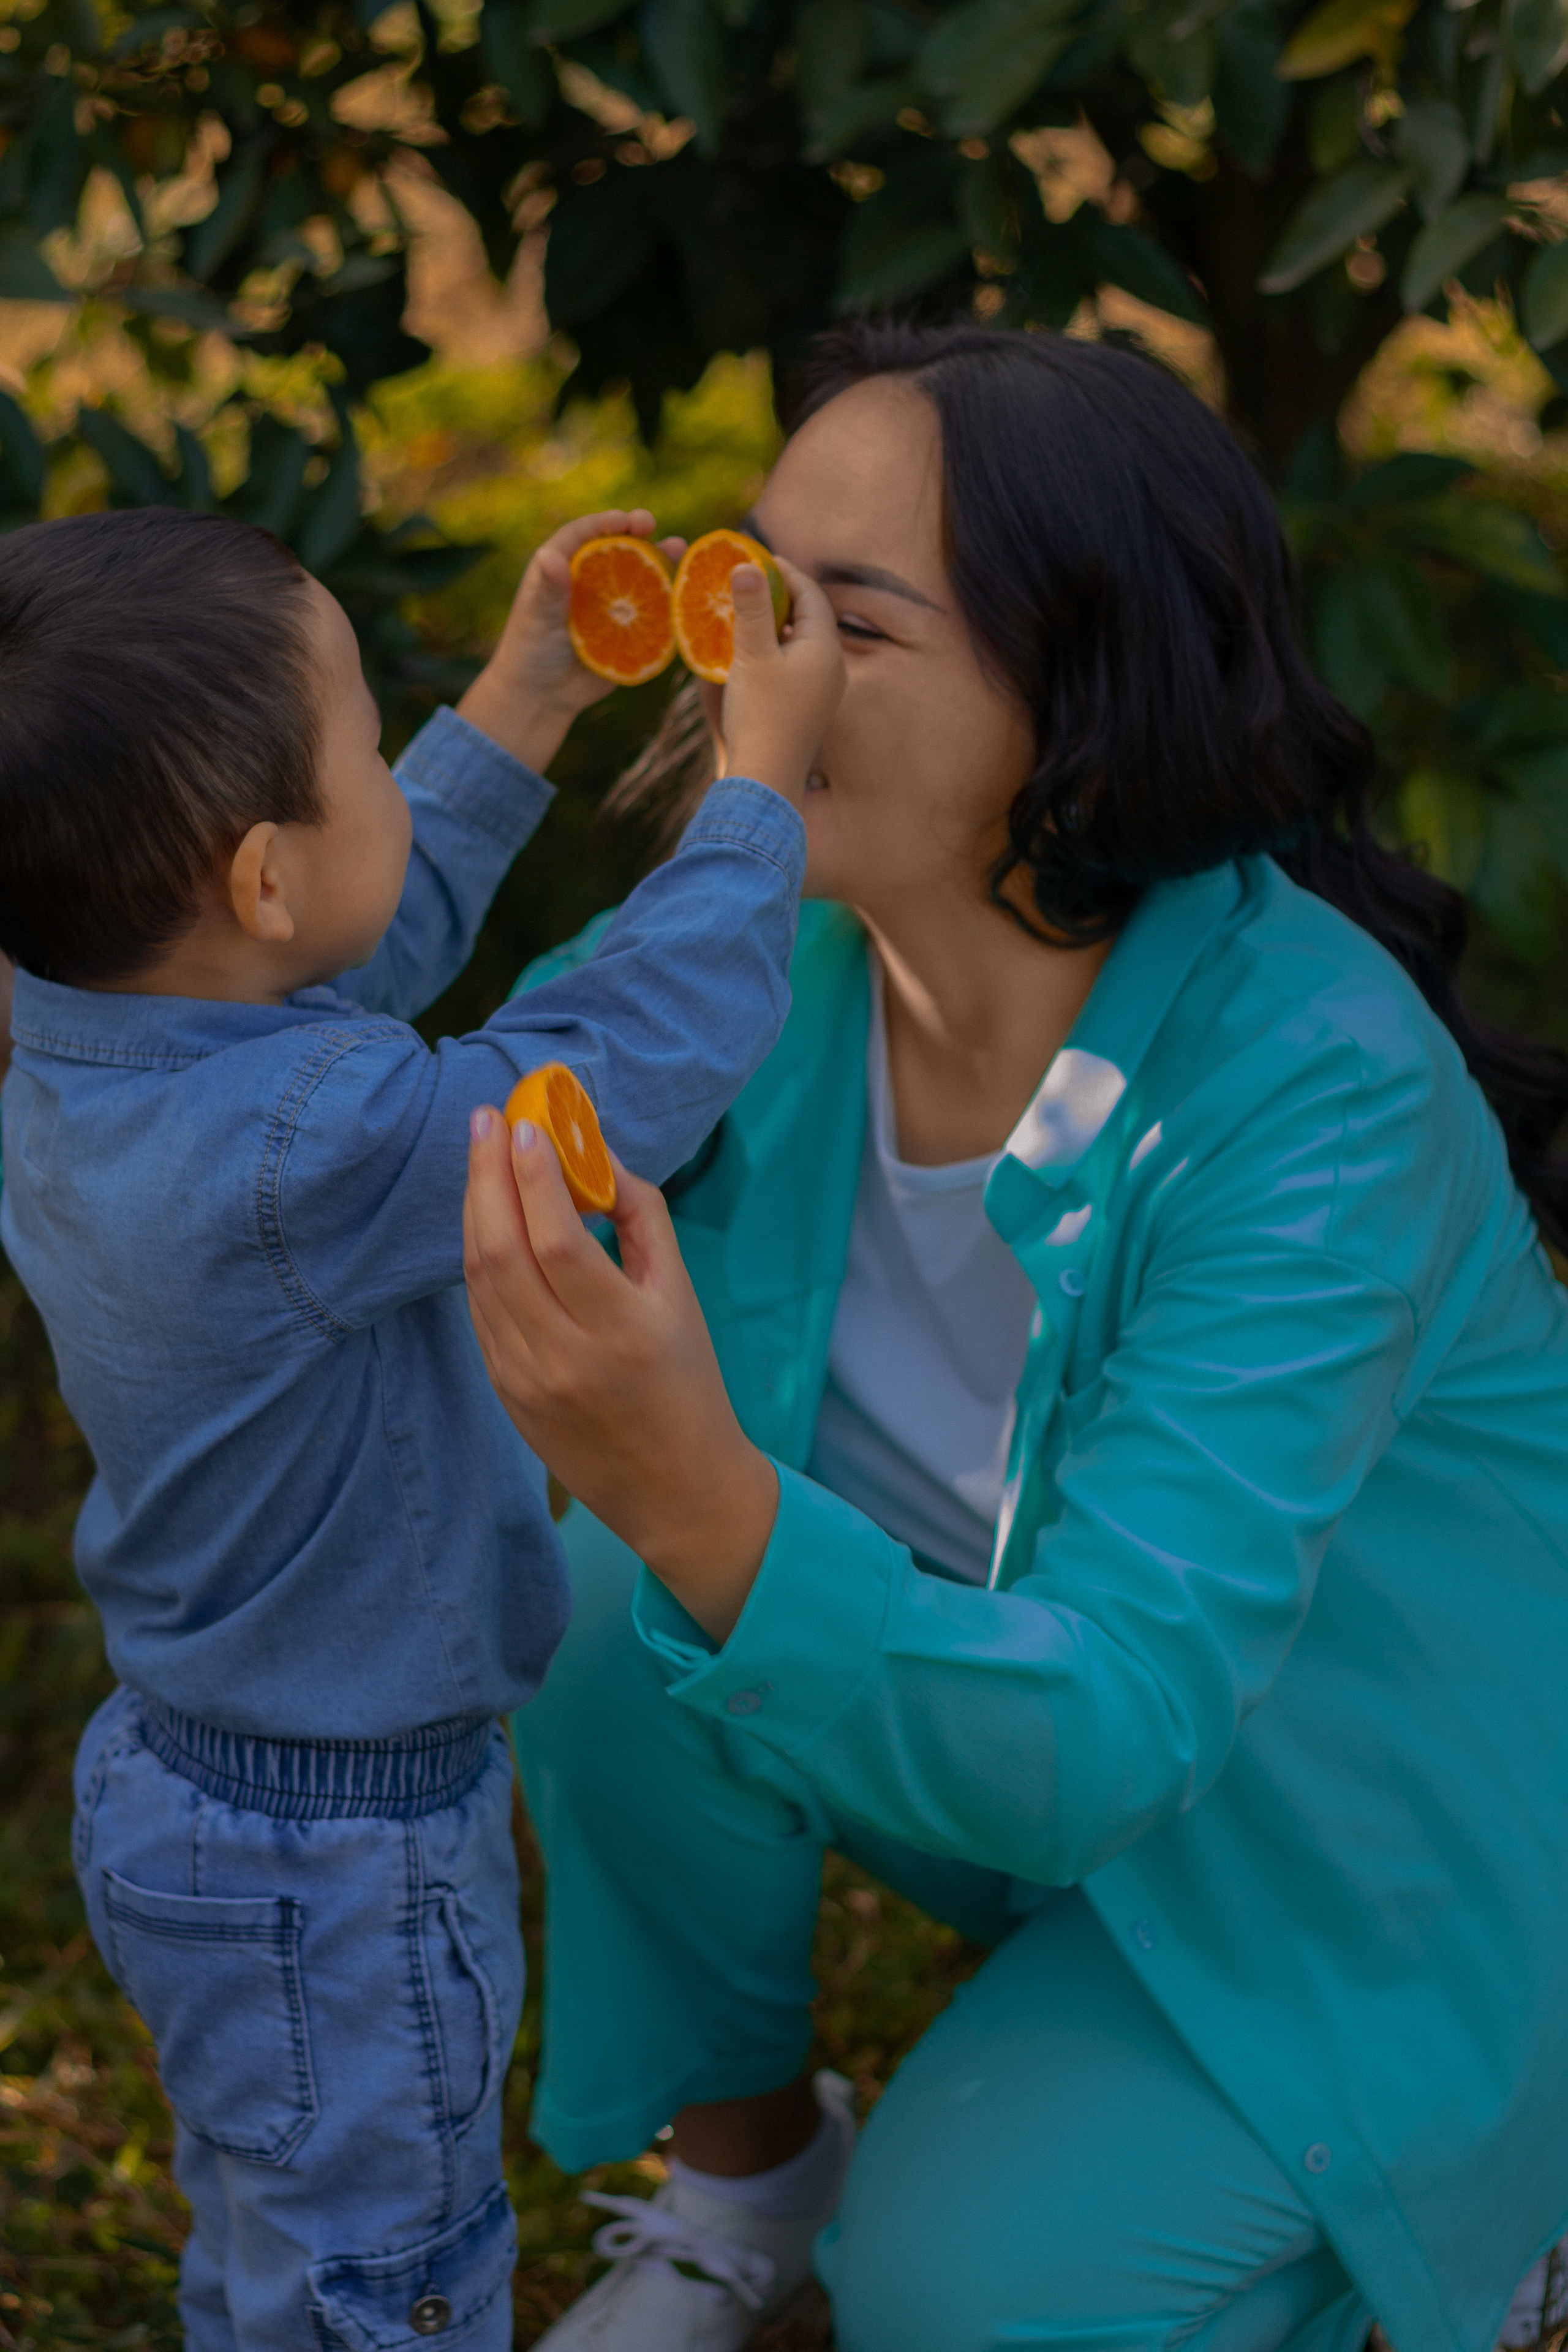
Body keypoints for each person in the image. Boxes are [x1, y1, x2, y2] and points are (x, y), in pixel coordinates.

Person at [461, 322, 1568, 2352]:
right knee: (613, 1606)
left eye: (847, 626)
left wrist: (693, 1484)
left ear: (1086, 690)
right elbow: (416, 1139)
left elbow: (1127, 1711)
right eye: (748, 593)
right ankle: (745, 2185)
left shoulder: (1320, 1094)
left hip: (1352, 1858)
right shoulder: (759, 964)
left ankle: (1475, 2217)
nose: (752, 676)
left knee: (970, 2299)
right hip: (1037, 1767)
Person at [0, 501, 843, 2350]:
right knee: (394, 2287)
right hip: (341, 1848)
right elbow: (605, 1073)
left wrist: (525, 695)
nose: (395, 771)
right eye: (372, 750)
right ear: (260, 882)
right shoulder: (325, 1147)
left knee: (271, 2224)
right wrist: (760, 796)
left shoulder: (82, 1032)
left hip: (177, 1785)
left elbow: (341, 957)